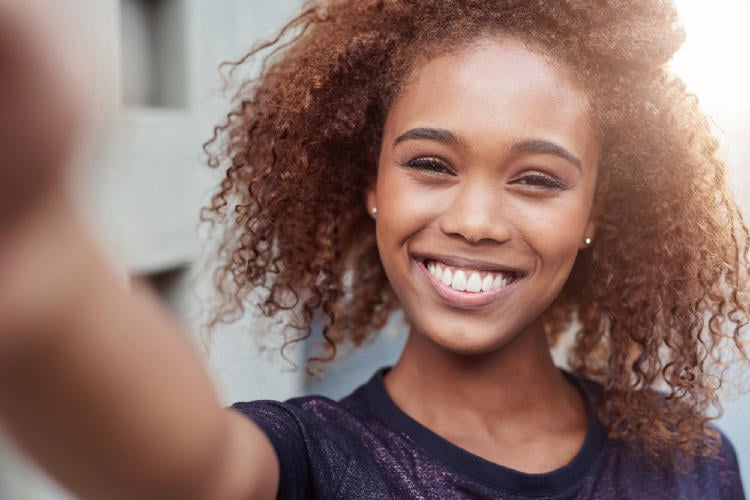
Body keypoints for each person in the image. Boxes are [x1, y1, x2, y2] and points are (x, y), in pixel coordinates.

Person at [0, 0, 747, 498]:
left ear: (596, 210)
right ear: (371, 184)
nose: (476, 219)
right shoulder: (306, 462)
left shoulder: (692, 465)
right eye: (430, 164)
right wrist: (38, 258)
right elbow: (193, 472)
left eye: (537, 179)